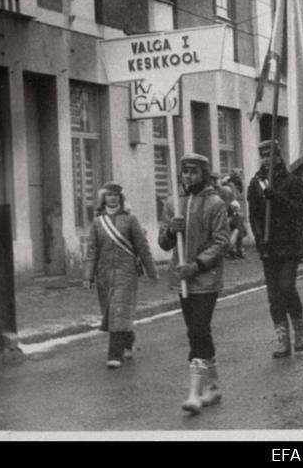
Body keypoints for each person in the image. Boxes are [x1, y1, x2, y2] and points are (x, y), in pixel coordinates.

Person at [158, 153, 230, 414]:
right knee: (197, 332)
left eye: (193, 171)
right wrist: (170, 230)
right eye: (184, 171)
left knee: (198, 329)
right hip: (182, 280)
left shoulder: (215, 204)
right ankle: (213, 386)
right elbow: (164, 243)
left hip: (205, 279)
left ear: (203, 174)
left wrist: (196, 265)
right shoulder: (173, 204)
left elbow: (221, 242)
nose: (188, 176)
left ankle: (195, 393)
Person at [83, 181, 158, 369]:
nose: (113, 198)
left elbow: (142, 247)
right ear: (104, 198)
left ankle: (114, 355)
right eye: (109, 195)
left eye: (116, 195)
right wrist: (88, 275)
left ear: (121, 198)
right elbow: (92, 251)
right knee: (112, 312)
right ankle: (128, 338)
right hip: (104, 273)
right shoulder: (98, 222)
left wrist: (152, 272)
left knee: (118, 309)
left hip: (126, 272)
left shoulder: (130, 219)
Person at [247, 140, 303, 358]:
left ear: (279, 156)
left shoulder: (293, 181)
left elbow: (300, 210)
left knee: (287, 287)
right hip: (268, 246)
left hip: (289, 244)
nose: (266, 159)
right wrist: (258, 237)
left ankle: (299, 326)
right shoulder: (255, 183)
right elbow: (253, 214)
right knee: (274, 296)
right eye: (262, 156)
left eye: (270, 155)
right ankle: (283, 339)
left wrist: (278, 197)